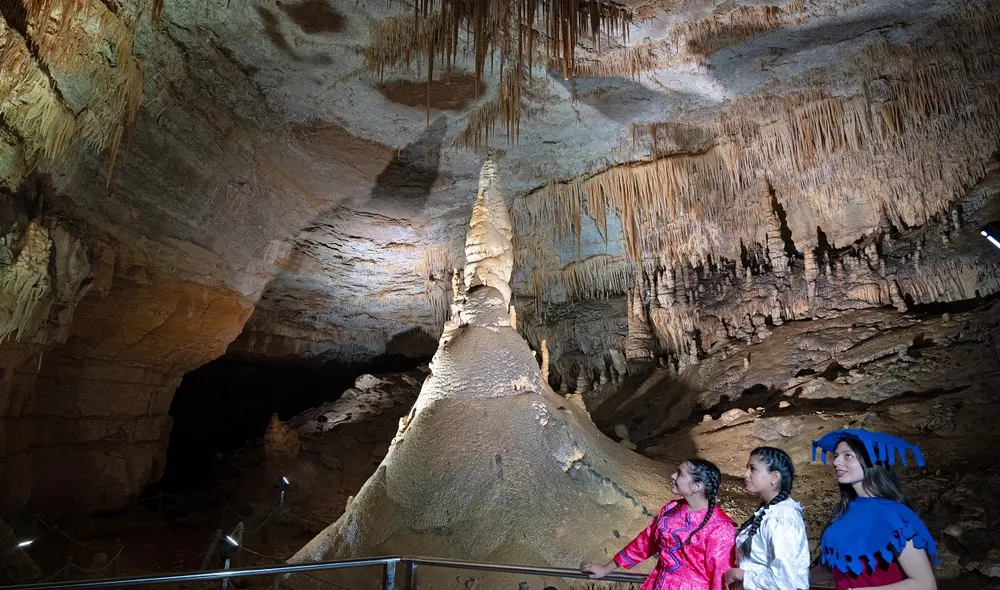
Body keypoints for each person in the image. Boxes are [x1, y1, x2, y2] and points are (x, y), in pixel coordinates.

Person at [811, 429, 938, 590]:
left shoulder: (894, 514)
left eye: (847, 455)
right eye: (836, 456)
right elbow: (843, 569)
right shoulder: (843, 513)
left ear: (871, 459)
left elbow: (925, 585)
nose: (836, 462)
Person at [581, 458, 736, 590]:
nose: (673, 475)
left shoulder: (720, 528)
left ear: (696, 486)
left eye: (680, 474)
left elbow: (720, 577)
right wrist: (607, 569)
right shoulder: (671, 509)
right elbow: (645, 542)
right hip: (658, 583)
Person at [723, 447, 810, 589]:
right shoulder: (768, 512)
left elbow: (787, 580)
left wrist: (743, 576)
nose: (746, 474)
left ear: (774, 477)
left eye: (753, 469)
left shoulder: (783, 518)